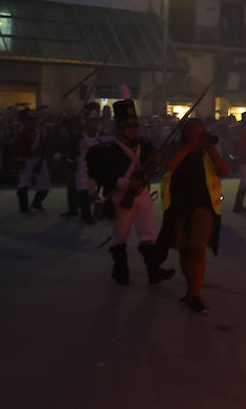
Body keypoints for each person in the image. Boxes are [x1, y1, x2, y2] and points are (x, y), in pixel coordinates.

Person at [86, 92, 174, 285]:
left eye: (134, 126)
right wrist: (126, 184)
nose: (132, 130)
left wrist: (156, 164)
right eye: (127, 126)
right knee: (121, 236)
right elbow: (103, 174)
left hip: (142, 193)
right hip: (121, 196)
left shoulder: (145, 145)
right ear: (119, 128)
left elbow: (153, 167)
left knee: (148, 233)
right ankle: (120, 271)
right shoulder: (108, 150)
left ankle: (153, 271)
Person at [160, 119, 229, 313]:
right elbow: (169, 165)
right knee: (184, 249)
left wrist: (210, 149)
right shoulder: (176, 148)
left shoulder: (208, 151)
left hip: (203, 206)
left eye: (201, 133)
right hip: (179, 206)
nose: (199, 137)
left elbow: (224, 170)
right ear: (186, 134)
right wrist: (189, 147)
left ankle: (195, 295)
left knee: (198, 249)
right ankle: (190, 290)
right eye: (195, 133)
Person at [13, 107, 51, 213]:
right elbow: (18, 150)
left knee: (45, 182)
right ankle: (23, 207)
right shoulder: (21, 134)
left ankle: (36, 202)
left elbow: (45, 146)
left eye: (34, 120)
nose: (33, 122)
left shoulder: (40, 133)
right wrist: (31, 154)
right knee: (23, 183)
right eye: (31, 120)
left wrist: (42, 155)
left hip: (39, 160)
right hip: (26, 161)